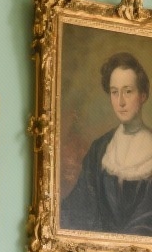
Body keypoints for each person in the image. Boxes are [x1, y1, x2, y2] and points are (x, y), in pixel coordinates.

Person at [60, 52, 152, 236]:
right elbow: (80, 204)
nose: (121, 102)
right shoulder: (100, 149)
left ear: (142, 95)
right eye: (114, 92)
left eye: (128, 91)